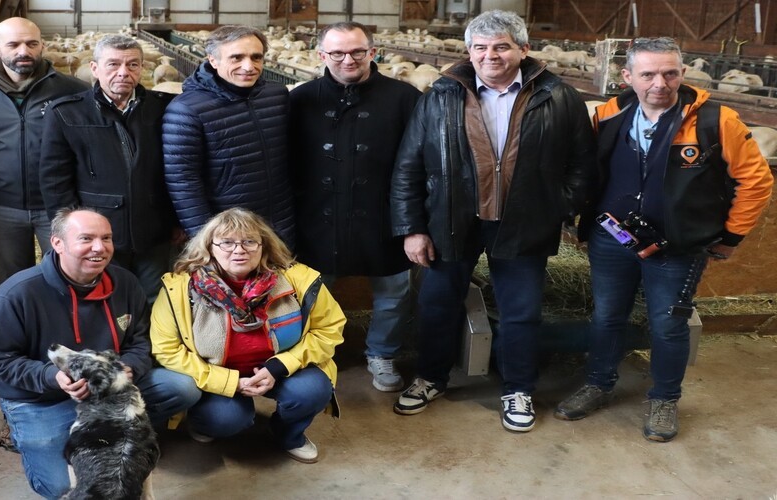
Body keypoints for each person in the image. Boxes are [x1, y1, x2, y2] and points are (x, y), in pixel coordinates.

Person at [556, 37, 773, 442]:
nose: (661, 82)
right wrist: (574, 214)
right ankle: (598, 383)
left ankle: (664, 398)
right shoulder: (608, 114)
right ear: (628, 76)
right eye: (649, 74)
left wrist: (731, 235)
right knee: (606, 316)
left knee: (668, 323)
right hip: (613, 237)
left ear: (683, 73)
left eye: (670, 73)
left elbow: (756, 181)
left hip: (678, 246)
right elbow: (585, 166)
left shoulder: (715, 121)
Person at [389, 10, 596, 432]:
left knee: (521, 311)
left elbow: (583, 164)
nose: (490, 56)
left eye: (501, 46)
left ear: (523, 49)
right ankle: (431, 377)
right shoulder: (441, 95)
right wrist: (412, 227)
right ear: (468, 51)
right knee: (437, 303)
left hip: (524, 221)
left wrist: (555, 206)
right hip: (452, 219)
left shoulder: (559, 97)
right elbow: (409, 164)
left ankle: (517, 388)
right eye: (480, 48)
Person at [0, 208, 199, 499]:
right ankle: (20, 428)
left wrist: (128, 367)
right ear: (57, 243)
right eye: (86, 238)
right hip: (43, 396)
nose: (100, 247)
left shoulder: (126, 283)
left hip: (110, 390)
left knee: (182, 387)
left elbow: (141, 343)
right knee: (60, 487)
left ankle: (123, 441)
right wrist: (52, 376)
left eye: (106, 238)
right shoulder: (16, 295)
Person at [150, 208, 345, 463]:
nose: (239, 250)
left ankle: (288, 434)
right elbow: (167, 349)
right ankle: (205, 422)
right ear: (210, 247)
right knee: (225, 420)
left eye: (249, 241)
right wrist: (229, 382)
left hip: (280, 369)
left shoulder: (297, 279)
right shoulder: (180, 287)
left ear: (264, 245)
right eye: (227, 243)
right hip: (216, 375)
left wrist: (279, 367)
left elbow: (328, 328)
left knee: (312, 390)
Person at [289, 21, 421, 392]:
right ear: (322, 56)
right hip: (318, 215)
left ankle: (382, 353)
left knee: (393, 291)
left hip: (383, 214)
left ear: (372, 53)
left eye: (357, 52)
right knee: (312, 292)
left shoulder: (403, 97)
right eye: (337, 53)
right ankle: (313, 353)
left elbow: (418, 161)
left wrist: (413, 220)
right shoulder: (301, 98)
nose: (348, 59)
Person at [39, 34, 178, 304]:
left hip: (153, 229)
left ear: (142, 68)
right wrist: (68, 230)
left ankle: (147, 347)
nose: (123, 72)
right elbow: (55, 178)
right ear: (95, 68)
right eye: (113, 64)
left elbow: (175, 169)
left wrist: (175, 220)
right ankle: (109, 347)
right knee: (105, 297)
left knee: (154, 298)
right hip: (98, 233)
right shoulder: (67, 113)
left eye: (133, 65)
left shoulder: (164, 108)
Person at [0, 17, 88, 289]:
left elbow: (84, 148)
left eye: (31, 44)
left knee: (65, 280)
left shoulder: (72, 90)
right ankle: (15, 332)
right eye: (14, 44)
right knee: (8, 283)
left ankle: (61, 332)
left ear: (42, 45)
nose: (23, 51)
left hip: (58, 206)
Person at [161, 25, 296, 246]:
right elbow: (183, 180)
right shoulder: (186, 109)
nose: (248, 66)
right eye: (236, 58)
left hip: (280, 222)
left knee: (281, 281)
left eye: (256, 57)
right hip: (229, 231)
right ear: (213, 60)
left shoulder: (276, 95)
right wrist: (205, 238)